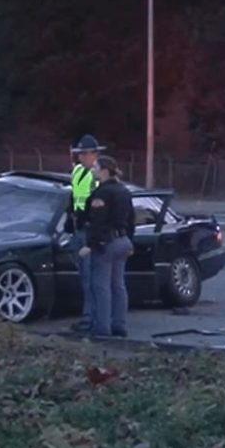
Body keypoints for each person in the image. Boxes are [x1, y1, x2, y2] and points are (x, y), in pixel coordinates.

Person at [80, 156, 134, 337]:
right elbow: (131, 219)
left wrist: (91, 245)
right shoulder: (124, 191)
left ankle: (102, 327)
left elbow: (98, 222)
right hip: (123, 241)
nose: (92, 170)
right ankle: (119, 325)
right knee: (118, 285)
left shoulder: (102, 193)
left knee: (100, 286)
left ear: (104, 171)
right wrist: (130, 241)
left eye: (95, 167)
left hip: (107, 243)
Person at [69, 134, 105, 332]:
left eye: (85, 153)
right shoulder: (77, 172)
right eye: (79, 154)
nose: (81, 157)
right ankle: (89, 316)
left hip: (90, 229)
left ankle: (90, 319)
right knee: (85, 276)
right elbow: (74, 198)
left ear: (94, 154)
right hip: (78, 227)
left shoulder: (97, 175)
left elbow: (97, 204)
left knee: (91, 278)